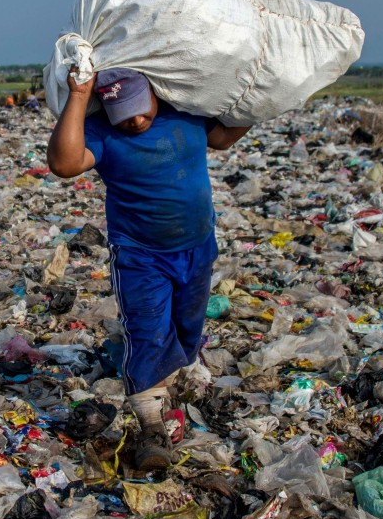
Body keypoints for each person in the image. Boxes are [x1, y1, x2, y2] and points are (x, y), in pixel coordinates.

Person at [47, 66, 251, 471]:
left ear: (156, 93)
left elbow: (224, 138)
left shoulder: (185, 114)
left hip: (196, 246)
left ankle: (175, 377)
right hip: (140, 255)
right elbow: (64, 164)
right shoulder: (104, 134)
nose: (135, 120)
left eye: (141, 109)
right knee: (147, 331)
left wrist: (264, 96)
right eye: (123, 113)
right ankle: (151, 427)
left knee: (187, 327)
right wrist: (79, 94)